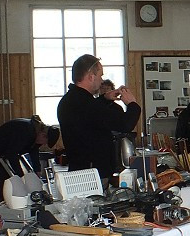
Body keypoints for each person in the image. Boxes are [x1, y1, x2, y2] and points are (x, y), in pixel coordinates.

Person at [56, 54, 141, 185]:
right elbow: (125, 124)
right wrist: (133, 104)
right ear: (91, 76)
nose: (102, 80)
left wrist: (104, 99)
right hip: (91, 175)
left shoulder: (71, 100)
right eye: (100, 75)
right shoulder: (86, 104)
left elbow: (91, 119)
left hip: (83, 170)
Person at [0, 115, 61, 198]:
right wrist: (21, 176)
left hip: (5, 153)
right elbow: (12, 154)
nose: (43, 144)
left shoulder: (36, 132)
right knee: (1, 181)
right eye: (45, 142)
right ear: (43, 135)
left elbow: (34, 150)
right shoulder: (26, 131)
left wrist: (37, 170)